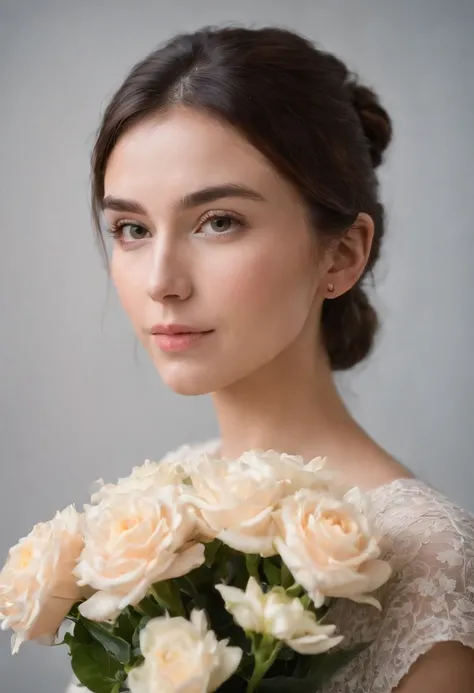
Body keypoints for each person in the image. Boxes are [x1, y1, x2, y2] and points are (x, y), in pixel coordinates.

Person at [67, 25, 474, 693]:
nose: (161, 280)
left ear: (340, 254)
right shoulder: (156, 508)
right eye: (132, 229)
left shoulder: (430, 558)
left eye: (218, 220)